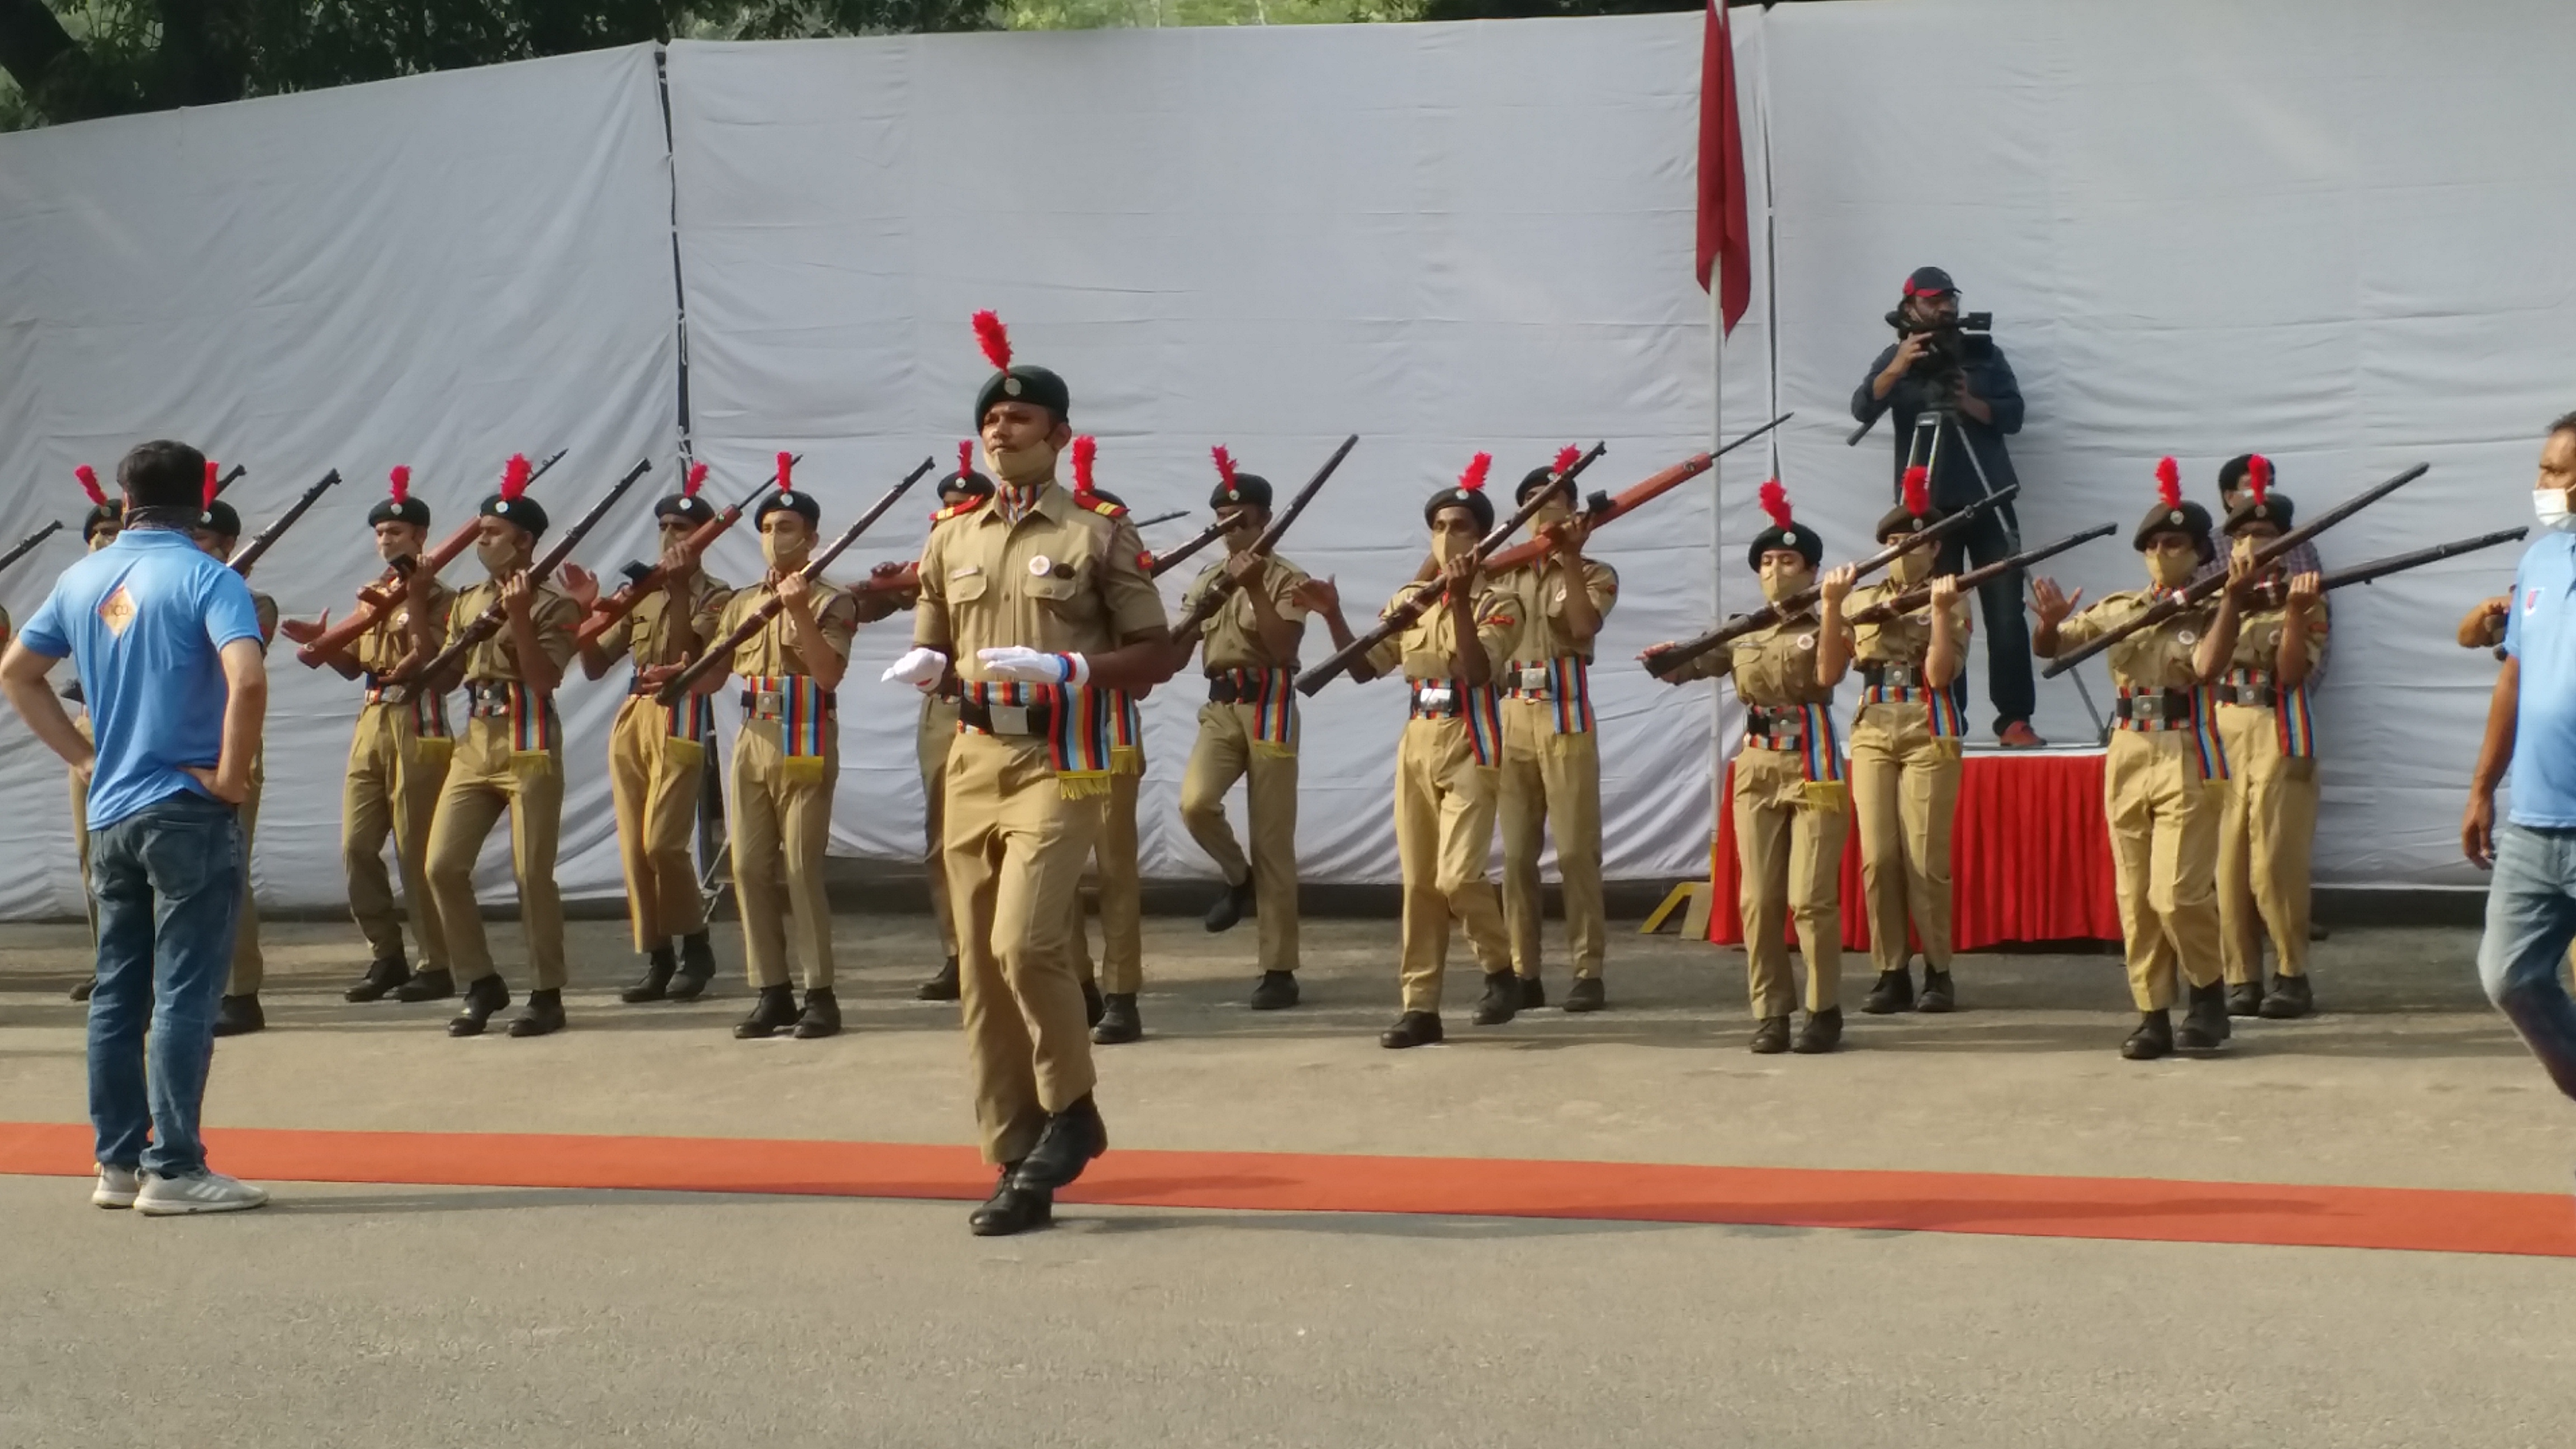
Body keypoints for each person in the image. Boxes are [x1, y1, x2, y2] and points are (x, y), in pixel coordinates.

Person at [882, 311, 1173, 1236]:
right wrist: (924, 665)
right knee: (977, 967)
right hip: (973, 756)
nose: (1001, 432)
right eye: (991, 422)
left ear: (1058, 435)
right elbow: (936, 637)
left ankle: (1074, 1107)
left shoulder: (1098, 535)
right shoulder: (949, 537)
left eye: (1021, 421)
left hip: (1063, 756)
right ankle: (1018, 1158)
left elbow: (1156, 653)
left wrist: (1075, 669)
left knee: (1023, 942)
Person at [0, 438, 271, 1215]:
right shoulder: (209, 577)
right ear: (200, 503)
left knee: (120, 991)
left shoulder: (83, 577)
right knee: (186, 989)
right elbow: (247, 679)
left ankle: (116, 1161)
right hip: (185, 808)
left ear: (126, 501)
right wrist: (229, 775)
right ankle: (175, 1167)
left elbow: (17, 671)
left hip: (112, 809)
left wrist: (83, 758)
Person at [1296, 454, 1518, 1049]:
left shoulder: (1500, 600)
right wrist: (1334, 614)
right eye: (1440, 527)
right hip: (1417, 739)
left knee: (1456, 876)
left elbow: (1476, 673)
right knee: (1419, 883)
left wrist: (1463, 600)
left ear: (1483, 537)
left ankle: (1501, 967)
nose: (1448, 538)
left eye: (1461, 528)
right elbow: (1368, 669)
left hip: (1472, 738)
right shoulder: (1411, 599)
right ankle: (1420, 1006)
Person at [2030, 458, 2248, 1060]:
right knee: (2134, 893)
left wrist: (2231, 600)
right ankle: (2151, 1010)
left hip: (2186, 744)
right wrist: (2047, 625)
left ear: (2201, 551)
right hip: (2128, 745)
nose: (2161, 552)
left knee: (2176, 893)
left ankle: (2206, 994)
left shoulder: (2215, 609)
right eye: (2153, 544)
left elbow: (2207, 668)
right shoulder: (2123, 606)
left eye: (2174, 543)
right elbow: (2055, 647)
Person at [1642, 481, 1852, 1054]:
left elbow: (1830, 674)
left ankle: (1823, 1008)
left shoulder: (1829, 618)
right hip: (1757, 764)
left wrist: (1832, 608)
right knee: (1758, 900)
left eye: (1788, 560)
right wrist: (1666, 659)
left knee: (1811, 898)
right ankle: (1772, 1012)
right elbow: (1689, 666)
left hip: (1814, 762)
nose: (1775, 569)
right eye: (1766, 561)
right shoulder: (1745, 629)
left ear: (1812, 571)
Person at [689, 455, 858, 1040]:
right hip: (753, 738)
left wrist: (796, 610)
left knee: (799, 868)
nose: (773, 538)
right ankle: (772, 989)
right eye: (765, 529)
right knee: (746, 867)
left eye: (785, 528)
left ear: (812, 538)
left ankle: (820, 992)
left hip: (805, 737)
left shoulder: (832, 599)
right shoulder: (738, 603)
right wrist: (677, 674)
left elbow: (828, 672)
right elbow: (715, 675)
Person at [414, 456, 581, 1039]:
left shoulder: (556, 605)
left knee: (532, 874)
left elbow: (544, 681)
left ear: (526, 543)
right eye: (481, 533)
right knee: (441, 866)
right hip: (475, 742)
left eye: (493, 535)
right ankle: (480, 980)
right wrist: (417, 603)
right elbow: (440, 679)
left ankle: (546, 991)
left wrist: (518, 616)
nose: (481, 541)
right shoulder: (464, 601)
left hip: (530, 742)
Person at [280, 467, 456, 1004]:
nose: (386, 541)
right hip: (373, 718)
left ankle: (438, 960)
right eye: (380, 533)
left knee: (416, 848)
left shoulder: (441, 593)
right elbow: (357, 668)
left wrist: (420, 602)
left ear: (421, 536)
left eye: (397, 533)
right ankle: (387, 953)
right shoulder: (374, 595)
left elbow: (442, 667)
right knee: (357, 847)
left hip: (419, 720)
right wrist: (327, 643)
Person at [1850, 266, 2041, 748]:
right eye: (1934, 301)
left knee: (2004, 611)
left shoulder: (1981, 352)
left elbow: (2014, 415)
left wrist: (1971, 402)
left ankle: (2014, 719)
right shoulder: (1899, 356)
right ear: (1911, 305)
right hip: (1928, 511)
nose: (1944, 308)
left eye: (1948, 299)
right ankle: (1944, 714)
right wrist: (1899, 365)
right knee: (1939, 614)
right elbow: (1861, 408)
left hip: (1988, 494)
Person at [565, 464, 734, 1006]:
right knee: (636, 848)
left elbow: (691, 658)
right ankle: (659, 956)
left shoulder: (717, 596)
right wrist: (588, 611)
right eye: (664, 526)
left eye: (682, 529)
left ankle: (696, 944)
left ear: (704, 538)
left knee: (664, 841)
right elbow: (594, 664)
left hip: (679, 711)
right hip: (633, 714)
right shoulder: (641, 591)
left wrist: (680, 591)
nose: (670, 536)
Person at [2464, 411, 2576, 1108]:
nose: (2541, 483)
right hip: (2537, 821)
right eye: (2544, 468)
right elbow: (2515, 675)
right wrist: (2483, 788)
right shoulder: (2539, 558)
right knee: (2508, 976)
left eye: (2556, 472)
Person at [1174, 448, 1310, 1011]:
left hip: (1271, 703)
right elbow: (1179, 650)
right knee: (1195, 803)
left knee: (1273, 840)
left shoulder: (1286, 578)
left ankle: (1278, 968)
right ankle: (1237, 876)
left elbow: (1284, 647)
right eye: (1224, 524)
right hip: (1221, 708)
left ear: (1266, 522)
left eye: (1243, 522)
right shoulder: (1206, 577)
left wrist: (1253, 587)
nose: (1232, 533)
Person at [1486, 449, 1618, 1012]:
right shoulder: (1503, 572)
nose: (1543, 513)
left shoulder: (1593, 572)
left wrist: (1569, 559)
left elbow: (1583, 625)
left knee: (1574, 853)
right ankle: (1524, 969)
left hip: (1564, 710)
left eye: (1554, 502)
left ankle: (1587, 969)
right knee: (1515, 857)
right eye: (1532, 505)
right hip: (1512, 710)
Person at [1842, 467, 1971, 1015]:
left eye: (1914, 543)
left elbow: (1941, 676)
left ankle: (1938, 970)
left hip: (1927, 724)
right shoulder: (1859, 598)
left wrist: (1938, 614)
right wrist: (1830, 607)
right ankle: (1890, 969)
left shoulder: (1953, 598)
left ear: (1935, 548)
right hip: (1873, 724)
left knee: (1925, 857)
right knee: (1879, 857)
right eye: (1894, 543)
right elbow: (1833, 663)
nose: (1903, 552)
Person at [2209, 461, 2327, 1020]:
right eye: (2243, 535)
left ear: (2283, 544)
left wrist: (2297, 615)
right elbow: (2202, 666)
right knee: (2227, 863)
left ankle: (2291, 972)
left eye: (2264, 535)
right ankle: (2240, 977)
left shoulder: (2304, 596)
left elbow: (2291, 675)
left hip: (2279, 727)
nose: (2253, 543)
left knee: (2274, 863)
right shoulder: (2213, 599)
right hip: (2224, 727)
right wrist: (2231, 601)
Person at [887, 449, 992, 1005]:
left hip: (995, 705)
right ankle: (957, 954)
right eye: (945, 506)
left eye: (964, 505)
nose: (952, 513)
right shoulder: (933, 558)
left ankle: (1004, 947)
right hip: (944, 708)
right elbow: (879, 605)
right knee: (942, 840)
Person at [189, 479, 280, 1038]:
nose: (191, 547)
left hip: (229, 742)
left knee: (227, 872)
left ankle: (241, 992)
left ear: (229, 543)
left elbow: (238, 670)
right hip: (179, 741)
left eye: (202, 539)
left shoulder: (251, 602)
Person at [1064, 470, 1146, 1045]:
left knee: (1116, 874)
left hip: (1109, 733)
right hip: (1053, 736)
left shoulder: (1128, 587)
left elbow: (1144, 673)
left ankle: (1122, 994)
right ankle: (1078, 985)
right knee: (1057, 876)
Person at [63, 468, 123, 1003]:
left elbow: (122, 629)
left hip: (132, 731)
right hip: (89, 728)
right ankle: (109, 960)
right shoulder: (78, 590)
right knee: (90, 853)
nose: (106, 540)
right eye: (98, 535)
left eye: (115, 533)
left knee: (132, 852)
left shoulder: (128, 590)